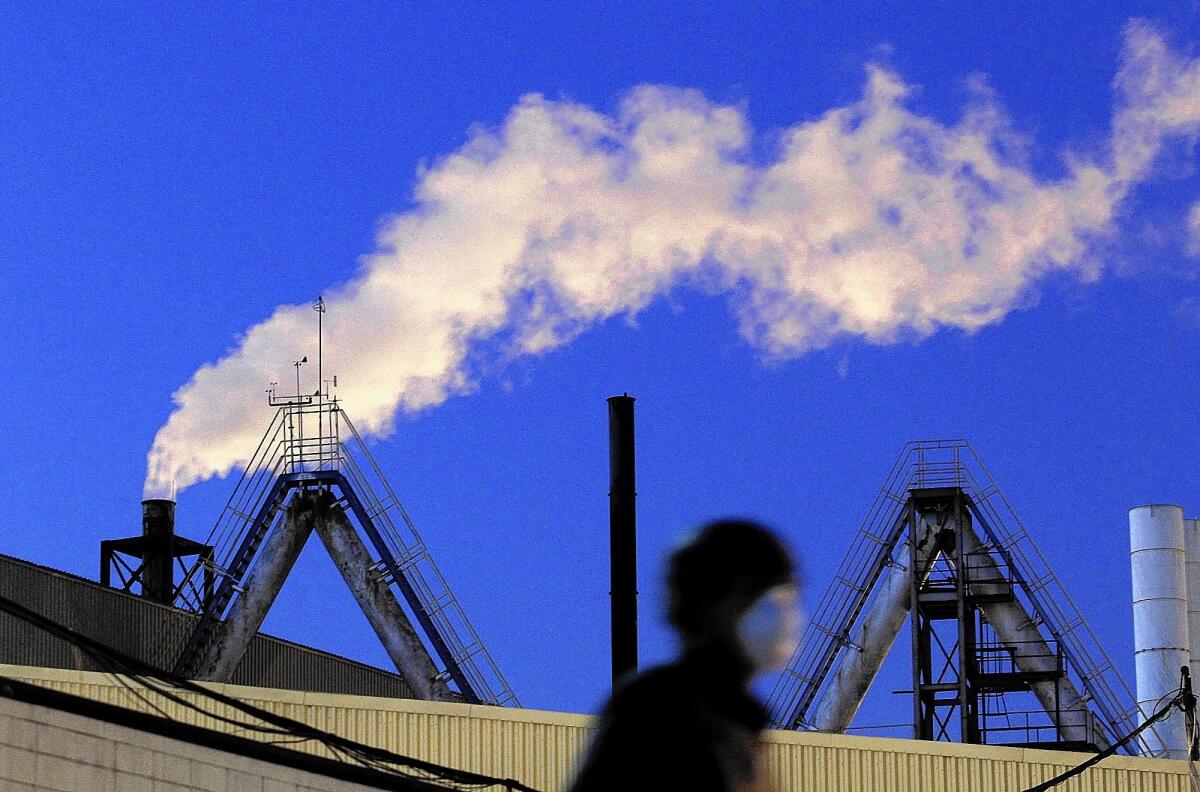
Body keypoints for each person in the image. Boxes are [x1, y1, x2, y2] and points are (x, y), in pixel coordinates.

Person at [566, 519, 801, 792]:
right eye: (758, 595)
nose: (782, 617)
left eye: (786, 598)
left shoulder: (736, 728)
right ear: (706, 605)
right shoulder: (658, 713)